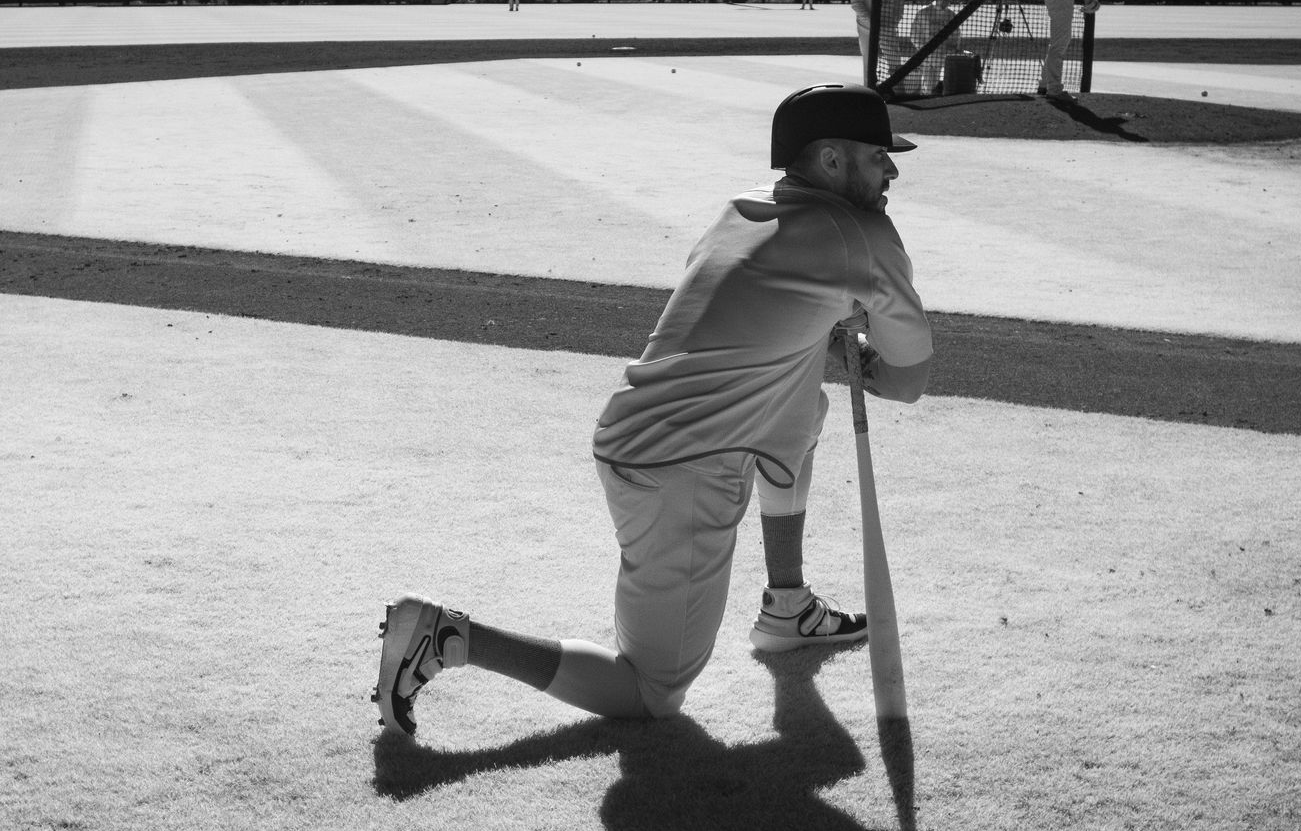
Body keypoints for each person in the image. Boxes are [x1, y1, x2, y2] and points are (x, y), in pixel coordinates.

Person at [373, 84, 935, 737]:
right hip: (682, 473)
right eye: (877, 156)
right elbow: (907, 378)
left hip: (635, 434)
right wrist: (863, 342)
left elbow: (758, 313)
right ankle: (444, 637)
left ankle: (787, 606)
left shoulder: (742, 210)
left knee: (801, 410)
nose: (892, 169)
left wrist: (828, 326)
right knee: (649, 693)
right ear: (832, 161)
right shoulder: (865, 235)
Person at [849, 0, 910, 84]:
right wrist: (871, 22)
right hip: (867, 28)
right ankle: (869, 91)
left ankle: (894, 89)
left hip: (888, 25)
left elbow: (899, 0)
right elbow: (856, 3)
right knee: (869, 63)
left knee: (894, 60)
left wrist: (894, 20)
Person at [908, 0, 968, 96]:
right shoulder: (923, 12)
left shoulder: (951, 15)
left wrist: (952, 50)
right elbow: (914, 35)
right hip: (926, 57)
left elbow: (956, 36)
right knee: (929, 84)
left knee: (941, 85)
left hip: (943, 57)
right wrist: (924, 51)